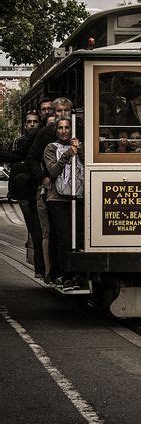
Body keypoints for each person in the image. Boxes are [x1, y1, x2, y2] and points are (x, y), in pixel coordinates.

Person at [27, 97, 73, 278]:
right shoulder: (46, 134)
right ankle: (54, 272)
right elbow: (31, 158)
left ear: (71, 111)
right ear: (54, 114)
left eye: (66, 111)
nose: (63, 114)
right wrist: (43, 177)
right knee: (55, 232)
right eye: (59, 111)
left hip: (77, 192)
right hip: (54, 191)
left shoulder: (81, 130)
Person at [0, 110, 44, 277]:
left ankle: (42, 267)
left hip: (37, 190)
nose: (32, 124)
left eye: (35, 121)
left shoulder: (38, 139)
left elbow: (17, 158)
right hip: (25, 194)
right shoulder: (20, 141)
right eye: (29, 122)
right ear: (25, 124)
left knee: (39, 229)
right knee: (33, 229)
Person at [43, 117, 84, 290]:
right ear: (56, 130)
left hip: (78, 196)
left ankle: (76, 275)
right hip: (57, 199)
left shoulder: (80, 147)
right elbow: (53, 171)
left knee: (79, 237)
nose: (64, 131)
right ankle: (61, 274)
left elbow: (87, 166)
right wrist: (68, 154)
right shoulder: (51, 148)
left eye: (67, 127)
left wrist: (80, 150)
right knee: (65, 237)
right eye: (60, 128)